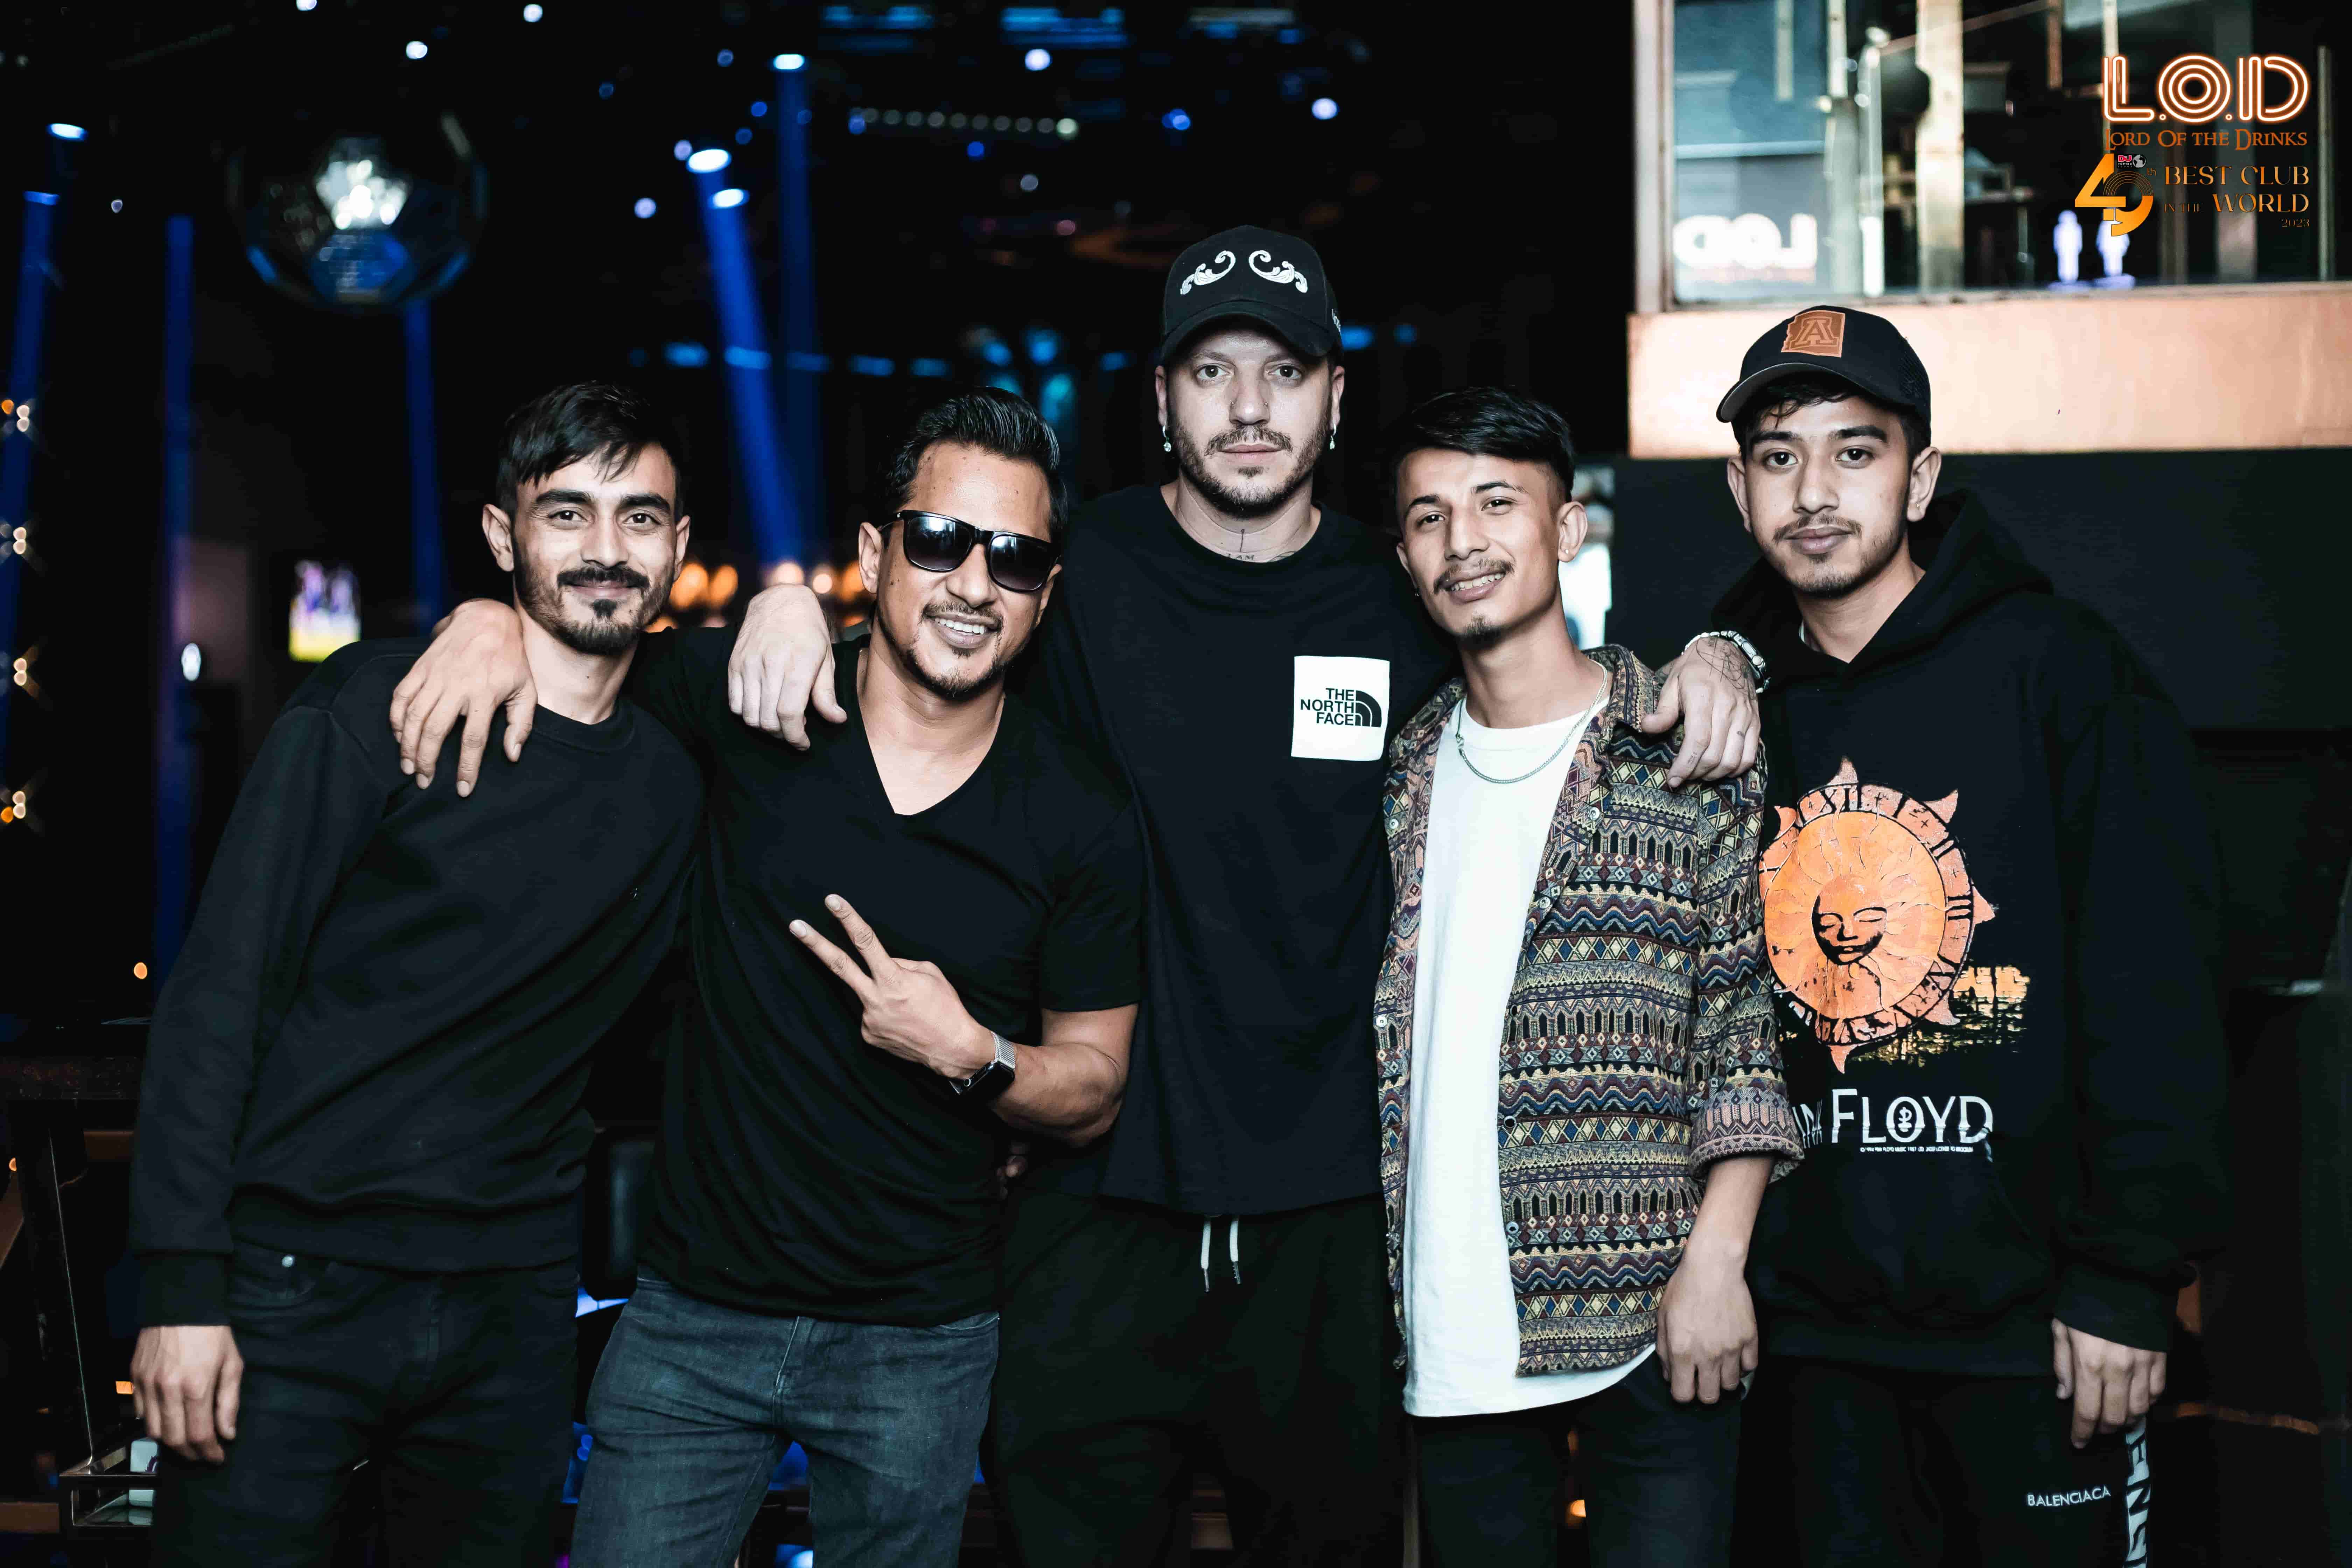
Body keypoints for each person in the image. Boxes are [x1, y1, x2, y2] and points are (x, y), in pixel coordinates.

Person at [394, 226, 1765, 1567]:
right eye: (1211, 372)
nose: (1248, 408)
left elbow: (1547, 677)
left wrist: (1725, 653)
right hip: (1087, 1221)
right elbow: (914, 641)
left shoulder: (1396, 587)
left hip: (1331, 1233)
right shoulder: (1063, 569)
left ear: (1336, 397)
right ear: (1161, 399)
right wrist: (674, 605)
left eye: (1284, 373)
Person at [393, 388, 1146, 1567]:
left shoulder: (1082, 815)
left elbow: (1095, 1084)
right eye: (939, 541)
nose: (971, 583)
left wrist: (975, 1055)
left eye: (1014, 558)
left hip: (922, 1343)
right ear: (876, 555)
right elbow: (582, 635)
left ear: (1044, 595)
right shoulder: (749, 698)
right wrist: (488, 619)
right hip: (694, 1321)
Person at [126, 382, 703, 1567]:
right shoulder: (378, 707)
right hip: (295, 1289)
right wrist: (180, 1291)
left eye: (640, 518)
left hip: (513, 1311)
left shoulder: (673, 782)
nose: (606, 550)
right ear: (503, 536)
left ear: (679, 545)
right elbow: (220, 993)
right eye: (567, 514)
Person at [1708, 305, 2228, 1565]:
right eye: (1779, 456)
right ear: (1739, 488)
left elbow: (2156, 984)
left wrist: (2128, 1279)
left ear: (1922, 474)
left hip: (2036, 1331)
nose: (1814, 492)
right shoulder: (1729, 707)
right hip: (1806, 1337)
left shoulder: (2063, 671)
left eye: (1856, 451)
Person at [1373, 387, 1801, 1566]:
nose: (1463, 540)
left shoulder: (1678, 748)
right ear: (1406, 559)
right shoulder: (1405, 769)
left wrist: (1717, 1265)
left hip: (1655, 1314)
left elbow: (1741, 1030)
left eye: (1496, 504)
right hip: (1453, 1318)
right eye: (1429, 516)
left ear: (1566, 529)